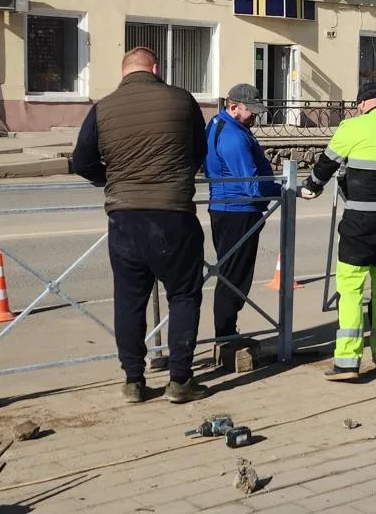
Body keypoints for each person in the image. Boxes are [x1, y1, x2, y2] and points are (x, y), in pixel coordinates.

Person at [71, 47, 210, 404]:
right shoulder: (182, 100)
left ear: (124, 73)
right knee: (183, 296)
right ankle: (180, 381)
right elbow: (199, 151)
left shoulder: (102, 108)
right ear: (156, 68)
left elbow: (81, 161)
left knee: (129, 300)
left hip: (125, 219)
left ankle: (134, 381)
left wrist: (114, 179)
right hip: (174, 215)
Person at [300, 81, 376, 381]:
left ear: (362, 104)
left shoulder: (353, 127)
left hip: (360, 223)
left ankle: (347, 361)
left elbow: (325, 165)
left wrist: (310, 187)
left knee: (351, 290)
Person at [205, 83, 280, 348]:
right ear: (234, 107)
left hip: (227, 209)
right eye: (251, 111)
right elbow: (252, 186)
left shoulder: (220, 123)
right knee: (234, 278)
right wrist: (285, 189)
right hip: (237, 212)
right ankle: (226, 337)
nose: (255, 116)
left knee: (230, 274)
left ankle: (226, 333)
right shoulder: (234, 137)